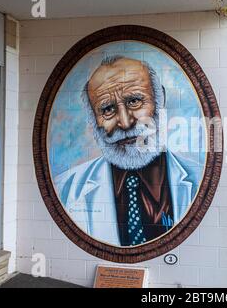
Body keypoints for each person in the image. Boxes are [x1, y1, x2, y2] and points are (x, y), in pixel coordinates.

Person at [55, 56, 199, 247]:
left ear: (160, 100)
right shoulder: (66, 188)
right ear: (94, 121)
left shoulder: (199, 179)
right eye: (107, 109)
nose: (125, 122)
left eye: (134, 101)